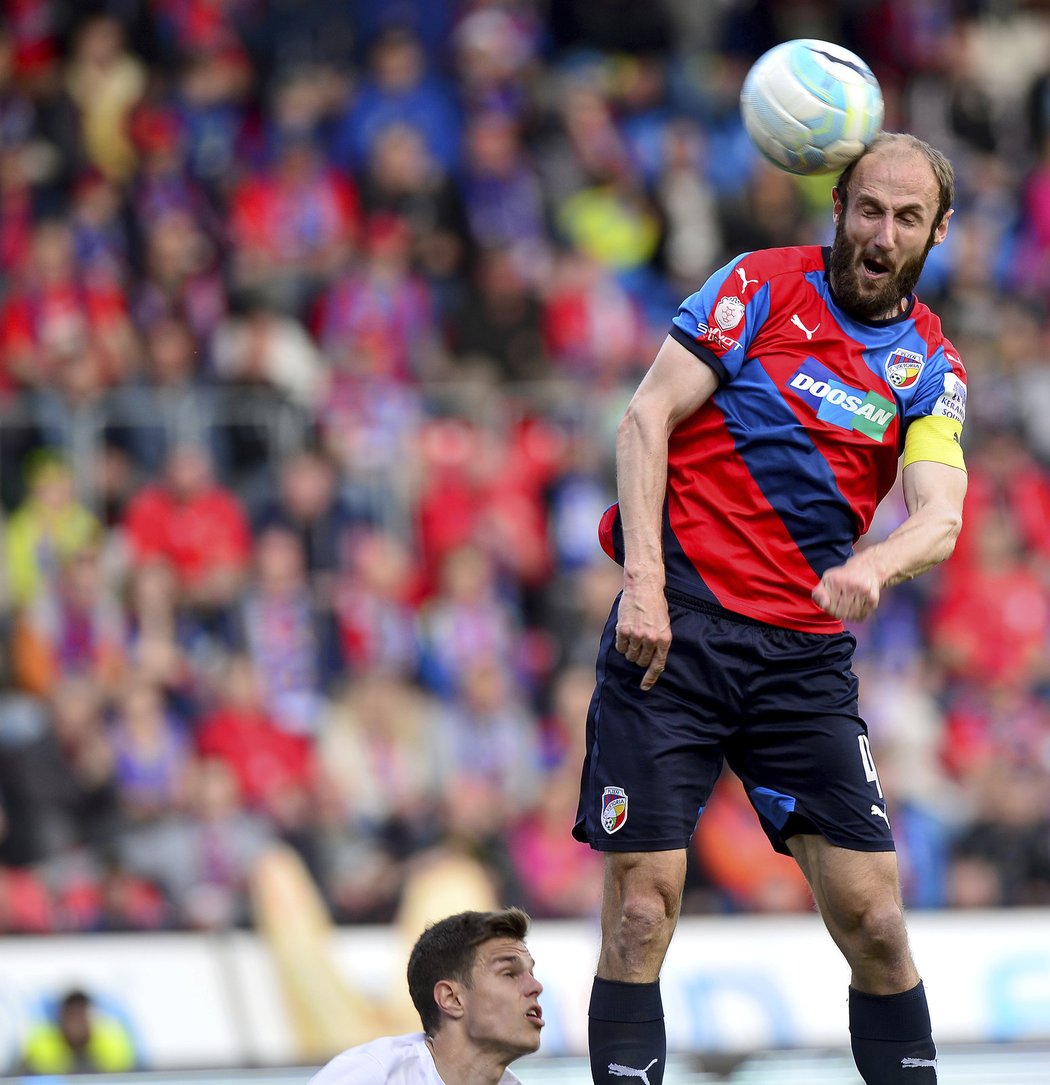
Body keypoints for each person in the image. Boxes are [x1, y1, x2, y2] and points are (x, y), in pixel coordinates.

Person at [573, 132, 968, 1085]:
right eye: (868, 209)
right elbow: (645, 417)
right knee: (641, 910)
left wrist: (880, 563)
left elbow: (942, 515)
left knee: (876, 919)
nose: (882, 233)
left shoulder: (927, 364)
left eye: (906, 218)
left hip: (802, 657)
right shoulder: (757, 286)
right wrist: (645, 581)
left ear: (936, 233)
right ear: (836, 207)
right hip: (675, 632)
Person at [309, 907, 544, 1085]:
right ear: (451, 999)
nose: (535, 986)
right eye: (509, 974)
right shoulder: (373, 1076)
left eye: (531, 973)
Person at [19, 988, 137, 1074]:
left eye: (81, 1015)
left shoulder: (112, 1041)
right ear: (60, 1018)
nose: (77, 1023)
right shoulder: (42, 1044)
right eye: (72, 1016)